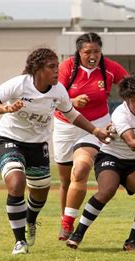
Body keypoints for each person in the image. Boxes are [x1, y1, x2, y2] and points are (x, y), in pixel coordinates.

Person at [0, 48, 109, 255]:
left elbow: (71, 114)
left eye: (57, 67)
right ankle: (20, 242)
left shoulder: (58, 90)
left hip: (37, 146)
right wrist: (5, 109)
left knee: (40, 193)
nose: (56, 72)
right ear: (37, 69)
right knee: (16, 182)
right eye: (51, 67)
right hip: (9, 139)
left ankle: (30, 220)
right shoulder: (19, 84)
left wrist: (95, 131)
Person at [65, 74, 135, 251]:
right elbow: (132, 144)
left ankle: (131, 242)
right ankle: (77, 234)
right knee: (108, 190)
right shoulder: (120, 113)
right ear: (126, 100)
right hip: (111, 158)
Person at [54, 32, 128, 240]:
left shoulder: (110, 68)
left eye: (96, 51)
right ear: (79, 52)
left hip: (96, 125)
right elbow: (53, 94)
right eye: (87, 52)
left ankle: (68, 224)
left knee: (82, 168)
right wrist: (72, 101)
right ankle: (65, 219)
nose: (92, 56)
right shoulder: (67, 67)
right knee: (65, 180)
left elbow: (131, 87)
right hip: (66, 125)